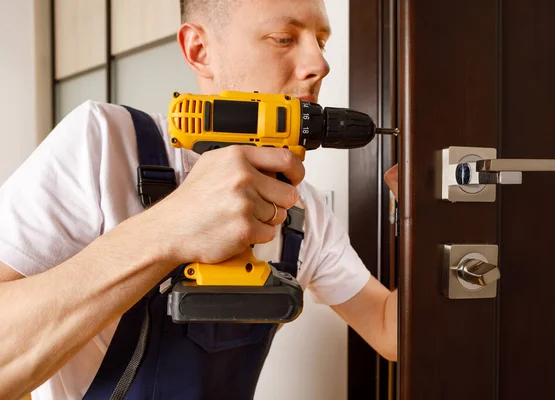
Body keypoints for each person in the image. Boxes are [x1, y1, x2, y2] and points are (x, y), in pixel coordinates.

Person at [0, 0, 399, 399]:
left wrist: (427, 213)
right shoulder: (103, 144)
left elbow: (387, 327)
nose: (319, 64)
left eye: (322, 42)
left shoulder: (302, 210)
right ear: (199, 50)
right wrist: (169, 227)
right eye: (284, 38)